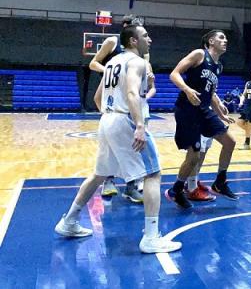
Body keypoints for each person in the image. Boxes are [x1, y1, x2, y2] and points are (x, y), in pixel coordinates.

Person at [55, 25, 181, 253]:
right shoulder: (137, 62)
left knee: (99, 175)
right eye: (145, 36)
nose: (149, 39)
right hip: (125, 120)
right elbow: (132, 93)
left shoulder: (112, 63)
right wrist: (139, 125)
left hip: (107, 120)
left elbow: (97, 97)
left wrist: (112, 116)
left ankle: (69, 221)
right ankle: (151, 237)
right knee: (153, 173)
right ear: (133, 40)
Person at [165, 29, 237, 209]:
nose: (225, 40)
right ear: (211, 41)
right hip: (187, 109)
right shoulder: (199, 54)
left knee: (230, 142)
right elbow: (174, 74)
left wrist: (220, 111)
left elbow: (210, 92)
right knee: (194, 157)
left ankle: (220, 181)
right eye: (221, 37)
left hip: (203, 110)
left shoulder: (219, 66)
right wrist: (187, 90)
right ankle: (176, 189)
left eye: (226, 38)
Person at [88, 14, 145, 201]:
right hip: (113, 82)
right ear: (127, 27)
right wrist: (111, 70)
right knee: (116, 141)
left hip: (125, 86)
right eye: (137, 26)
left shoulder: (139, 52)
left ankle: (130, 184)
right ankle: (110, 181)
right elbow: (93, 63)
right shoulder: (112, 41)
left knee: (130, 145)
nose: (140, 29)